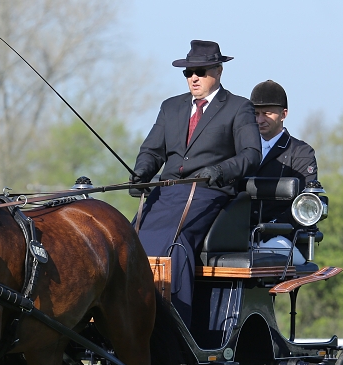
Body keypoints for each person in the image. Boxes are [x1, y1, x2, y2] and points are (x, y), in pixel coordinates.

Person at [131, 40, 261, 325]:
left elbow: (251, 155)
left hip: (208, 191)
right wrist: (141, 174)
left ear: (218, 71)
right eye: (188, 72)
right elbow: (152, 151)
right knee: (128, 240)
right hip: (165, 193)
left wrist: (220, 169)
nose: (193, 77)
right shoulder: (171, 107)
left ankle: (172, 323)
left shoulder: (239, 108)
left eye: (200, 71)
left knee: (173, 243)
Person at [250, 80, 318, 265]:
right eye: (255, 114)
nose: (260, 120)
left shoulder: (302, 153)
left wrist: (269, 228)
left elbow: (304, 204)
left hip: (285, 237)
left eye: (267, 113)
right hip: (242, 233)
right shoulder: (241, 150)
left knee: (260, 256)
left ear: (283, 114)